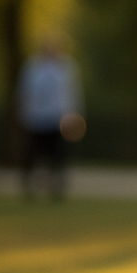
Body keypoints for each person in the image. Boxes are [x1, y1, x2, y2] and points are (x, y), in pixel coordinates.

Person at [19, 37, 84, 202]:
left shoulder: (67, 67)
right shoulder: (32, 67)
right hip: (36, 118)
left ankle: (57, 187)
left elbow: (73, 93)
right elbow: (24, 92)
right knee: (33, 154)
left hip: (58, 119)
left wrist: (74, 116)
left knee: (58, 155)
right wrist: (24, 115)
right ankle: (29, 186)